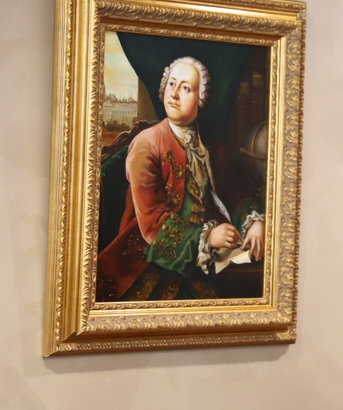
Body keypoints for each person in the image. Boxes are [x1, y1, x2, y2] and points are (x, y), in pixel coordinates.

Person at [96, 56, 264, 300]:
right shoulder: (147, 145)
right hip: (150, 262)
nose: (174, 94)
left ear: (201, 99)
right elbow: (153, 222)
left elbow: (233, 193)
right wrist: (207, 237)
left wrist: (254, 221)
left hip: (206, 263)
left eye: (185, 88)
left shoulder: (210, 147)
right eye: (171, 84)